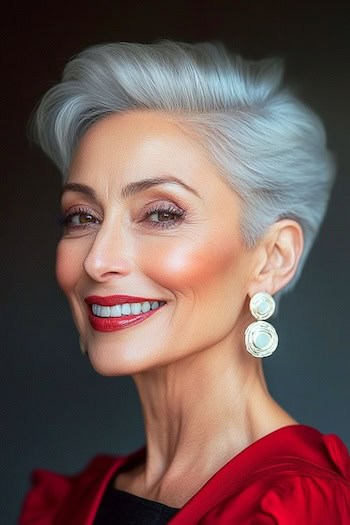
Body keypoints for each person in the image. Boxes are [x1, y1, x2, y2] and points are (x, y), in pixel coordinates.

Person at [19, 40, 350, 524]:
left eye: (160, 213)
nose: (98, 260)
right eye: (82, 216)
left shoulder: (296, 508)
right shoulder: (67, 503)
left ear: (271, 258)